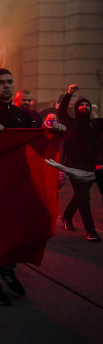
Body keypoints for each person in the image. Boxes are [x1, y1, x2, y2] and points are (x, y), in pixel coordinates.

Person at [0, 68, 66, 305]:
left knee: (18, 227)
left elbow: (35, 143)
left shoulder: (24, 115)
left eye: (9, 82)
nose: (6, 86)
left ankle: (8, 269)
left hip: (18, 182)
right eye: (0, 83)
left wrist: (55, 135)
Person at [57, 84, 103, 242]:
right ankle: (91, 231)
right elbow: (62, 112)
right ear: (77, 109)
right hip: (75, 166)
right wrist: (68, 94)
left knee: (80, 196)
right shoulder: (71, 123)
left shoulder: (95, 124)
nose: (84, 106)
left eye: (87, 105)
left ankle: (67, 217)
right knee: (84, 198)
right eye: (81, 105)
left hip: (91, 166)